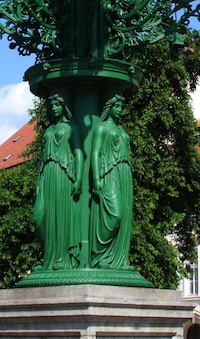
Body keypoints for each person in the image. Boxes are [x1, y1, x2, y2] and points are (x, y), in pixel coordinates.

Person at [33, 92, 83, 270]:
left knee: (61, 216)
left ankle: (63, 258)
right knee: (39, 217)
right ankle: (49, 257)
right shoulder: (48, 130)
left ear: (64, 106)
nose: (53, 108)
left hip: (64, 176)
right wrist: (39, 183)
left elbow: (78, 153)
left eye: (57, 104)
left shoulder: (71, 128)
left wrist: (78, 179)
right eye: (51, 105)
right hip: (47, 176)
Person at [90, 93, 133, 269]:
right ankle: (100, 255)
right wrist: (96, 178)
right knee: (115, 214)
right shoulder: (101, 128)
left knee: (125, 219)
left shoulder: (121, 131)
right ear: (109, 108)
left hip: (124, 172)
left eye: (121, 106)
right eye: (116, 106)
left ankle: (119, 260)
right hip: (109, 172)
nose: (120, 109)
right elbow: (95, 152)